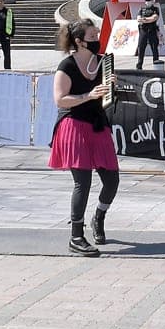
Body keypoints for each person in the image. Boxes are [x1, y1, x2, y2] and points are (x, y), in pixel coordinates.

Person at [50, 19, 119, 256]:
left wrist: (110, 89)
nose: (97, 38)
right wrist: (88, 95)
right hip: (73, 123)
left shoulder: (103, 62)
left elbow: (106, 98)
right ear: (79, 41)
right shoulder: (66, 66)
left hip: (97, 122)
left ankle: (98, 216)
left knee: (112, 179)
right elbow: (60, 99)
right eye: (92, 35)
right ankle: (76, 236)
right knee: (83, 181)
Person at [136, 2, 162, 69]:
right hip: (143, 30)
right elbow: (138, 19)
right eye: (146, 0)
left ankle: (156, 64)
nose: (148, 2)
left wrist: (145, 20)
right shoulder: (142, 9)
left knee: (154, 47)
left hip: (152, 30)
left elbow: (154, 18)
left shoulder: (155, 9)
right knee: (141, 47)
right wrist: (147, 20)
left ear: (152, 1)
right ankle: (139, 65)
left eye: (149, 0)